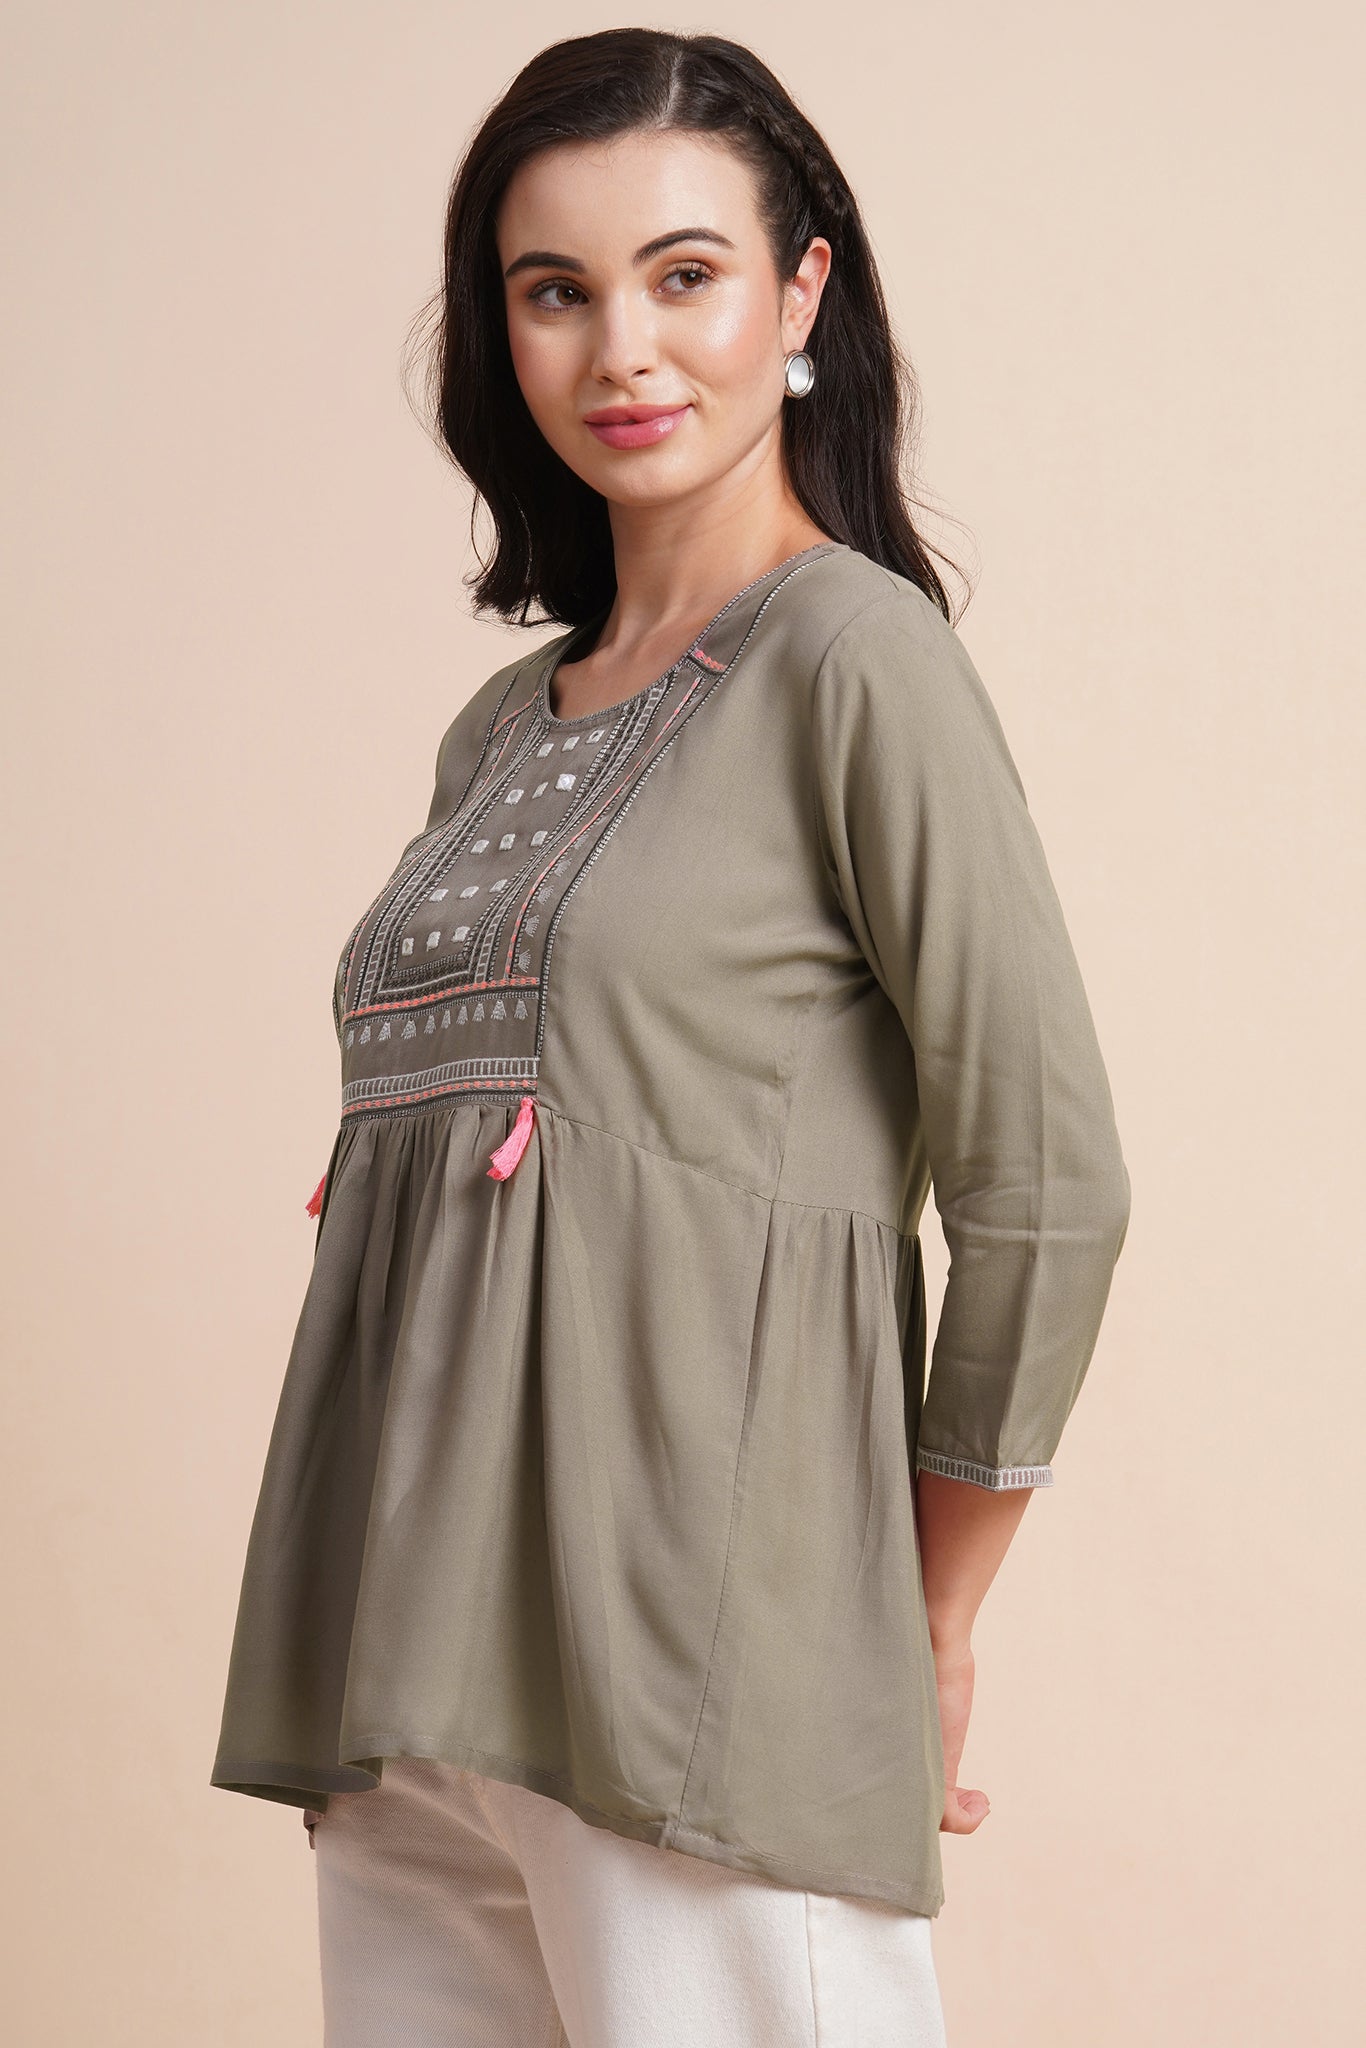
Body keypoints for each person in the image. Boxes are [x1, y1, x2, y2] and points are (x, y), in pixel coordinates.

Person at [210, 27, 1131, 2046]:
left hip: (692, 1661)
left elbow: (1047, 1183)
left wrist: (924, 1615)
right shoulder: (496, 729)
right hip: (409, 1667)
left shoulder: (855, 656)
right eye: (554, 290)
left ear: (799, 295)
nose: (619, 347)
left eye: (683, 273)